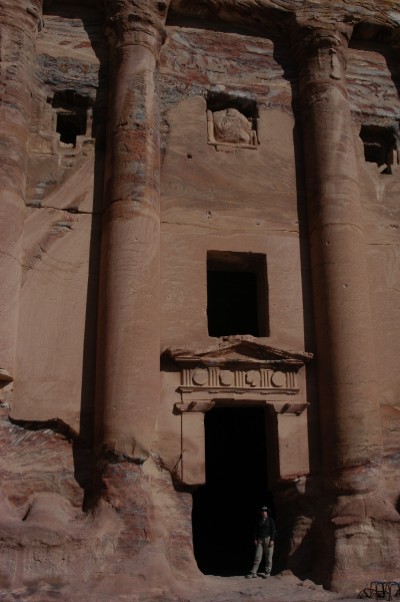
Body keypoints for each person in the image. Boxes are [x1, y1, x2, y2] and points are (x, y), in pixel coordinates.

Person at [246, 505, 275, 579]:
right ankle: (253, 572)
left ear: (267, 512)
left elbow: (273, 531)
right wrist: (255, 539)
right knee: (257, 556)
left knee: (268, 557)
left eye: (265, 511)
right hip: (260, 540)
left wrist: (272, 540)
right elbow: (256, 530)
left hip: (268, 539)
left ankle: (267, 572)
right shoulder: (259, 520)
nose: (264, 512)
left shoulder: (270, 520)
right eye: (262, 511)